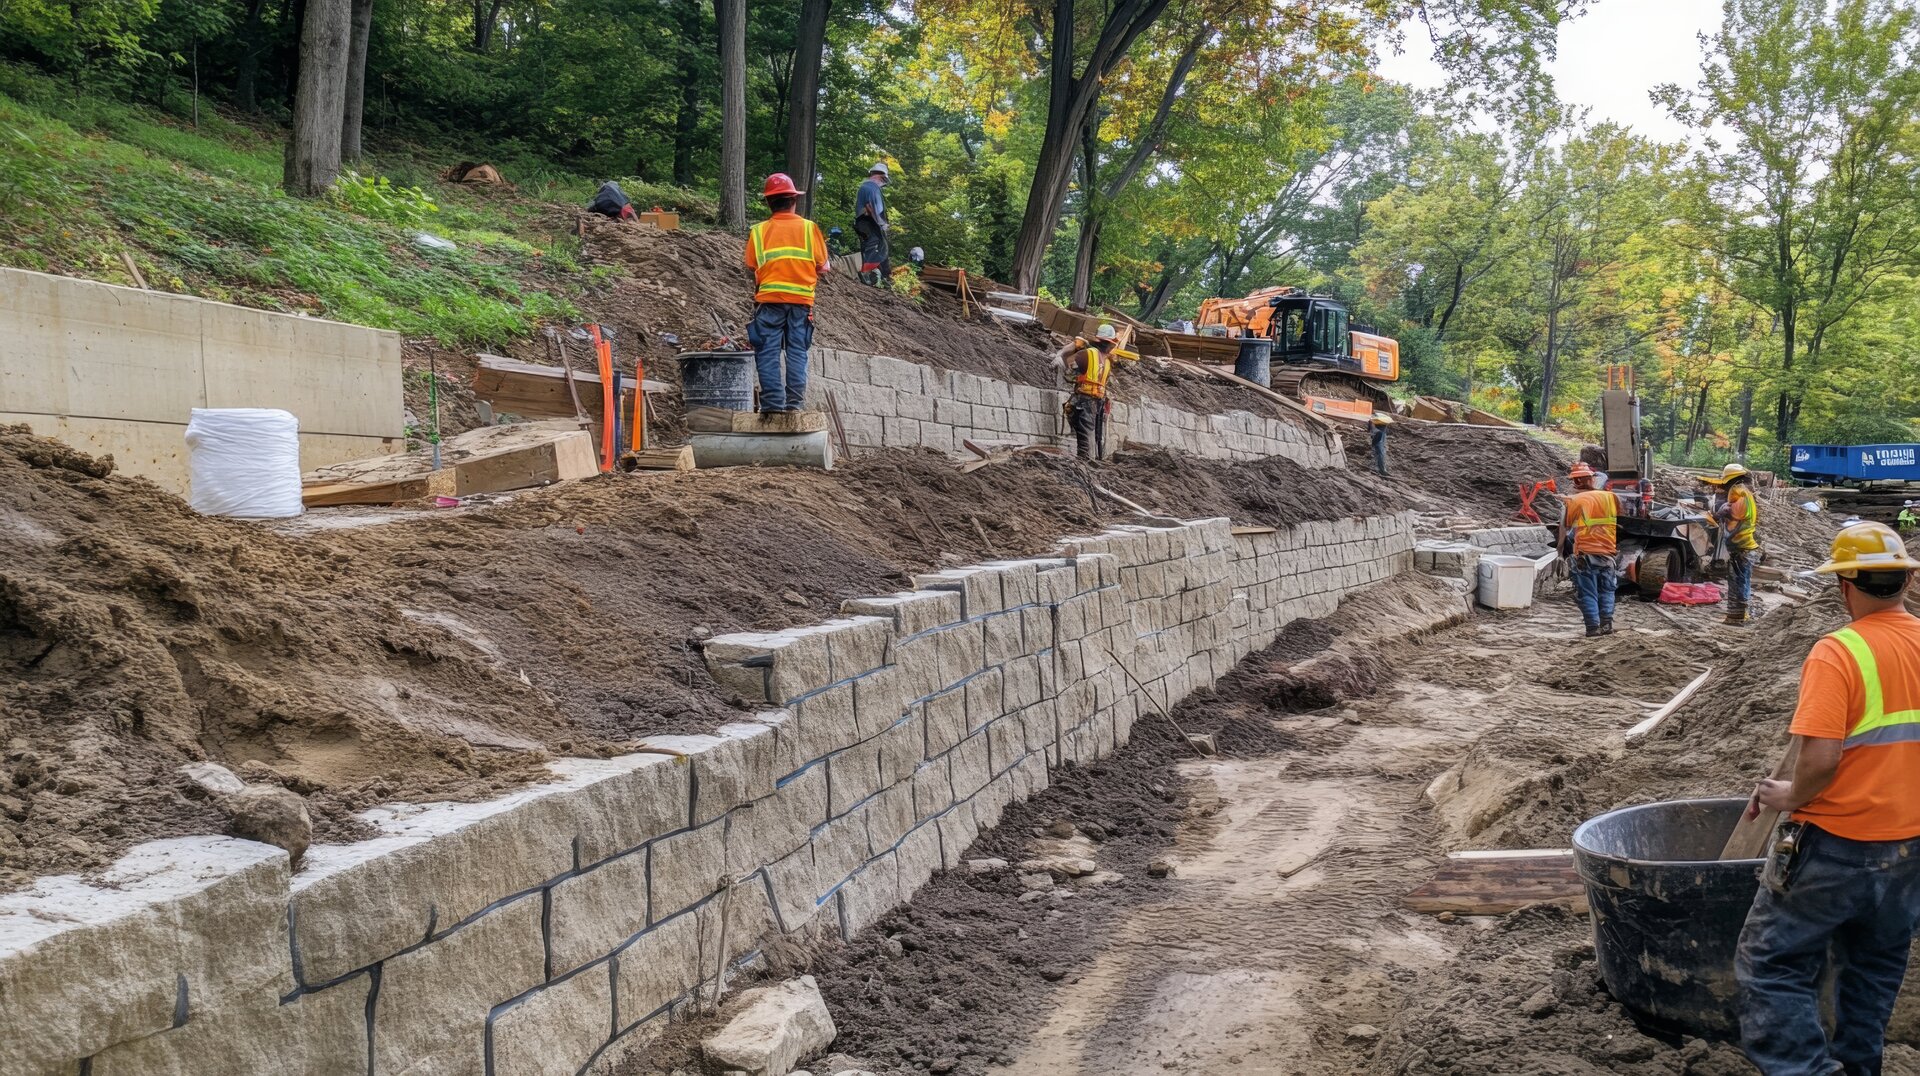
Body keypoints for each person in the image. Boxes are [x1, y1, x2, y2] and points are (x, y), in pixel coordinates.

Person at [1734, 522, 1920, 1076]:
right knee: (1874, 968)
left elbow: (1819, 761)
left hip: (1836, 844)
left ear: (1845, 585)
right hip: (1909, 845)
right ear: (1906, 581)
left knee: (1771, 965)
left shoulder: (1838, 652)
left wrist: (1787, 793)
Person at [742, 173, 830, 413]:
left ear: (769, 202)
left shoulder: (758, 232)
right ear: (794, 199)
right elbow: (823, 267)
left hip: (769, 302)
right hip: (800, 303)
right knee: (797, 351)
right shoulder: (809, 229)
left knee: (768, 351)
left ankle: (772, 405)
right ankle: (794, 405)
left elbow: (751, 265)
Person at [1561, 462, 1620, 637]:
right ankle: (1607, 625)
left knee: (1588, 592)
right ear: (1592, 479)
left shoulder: (1576, 500)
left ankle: (1593, 628)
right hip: (1608, 553)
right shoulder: (1611, 497)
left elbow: (1566, 525)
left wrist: (1568, 501)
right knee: (1607, 590)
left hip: (1585, 554)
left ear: (1576, 481)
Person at [1053, 324, 1118, 460]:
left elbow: (1069, 375)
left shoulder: (1085, 354)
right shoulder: (1107, 361)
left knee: (1084, 432)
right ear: (1110, 344)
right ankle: (1088, 458)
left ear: (1097, 339)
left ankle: (1084, 460)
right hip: (1097, 401)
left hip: (1084, 399)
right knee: (1089, 432)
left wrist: (1068, 353)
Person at [1714, 462, 1762, 625]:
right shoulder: (1745, 491)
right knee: (1739, 581)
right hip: (1744, 547)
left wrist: (1722, 512)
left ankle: (1737, 617)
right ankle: (1738, 615)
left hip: (1742, 547)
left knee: (1738, 582)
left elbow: (1736, 513)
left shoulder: (1738, 491)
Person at [854, 162, 891, 285]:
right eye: (883, 180)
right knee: (877, 246)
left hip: (862, 223)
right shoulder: (873, 188)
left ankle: (878, 276)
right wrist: (882, 224)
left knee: (869, 247)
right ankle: (867, 274)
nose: (883, 183)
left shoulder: (864, 187)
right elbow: (872, 208)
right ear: (880, 176)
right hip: (869, 223)